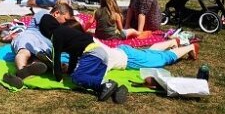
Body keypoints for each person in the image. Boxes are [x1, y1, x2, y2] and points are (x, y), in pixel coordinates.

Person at [69, 38, 200, 102]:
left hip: (129, 58)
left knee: (162, 59)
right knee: (150, 54)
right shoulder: (88, 42)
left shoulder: (97, 58)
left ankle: (190, 47)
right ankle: (172, 42)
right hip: (125, 53)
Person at [38, 1, 94, 85]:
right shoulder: (53, 25)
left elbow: (65, 54)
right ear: (56, 13)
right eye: (66, 20)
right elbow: (57, 55)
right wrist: (59, 76)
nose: (65, 23)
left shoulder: (56, 30)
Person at [2, 9, 51, 89]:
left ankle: (17, 76)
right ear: (57, 13)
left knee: (39, 62)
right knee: (25, 52)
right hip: (29, 37)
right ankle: (21, 70)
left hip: (41, 49)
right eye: (66, 18)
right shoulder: (45, 14)